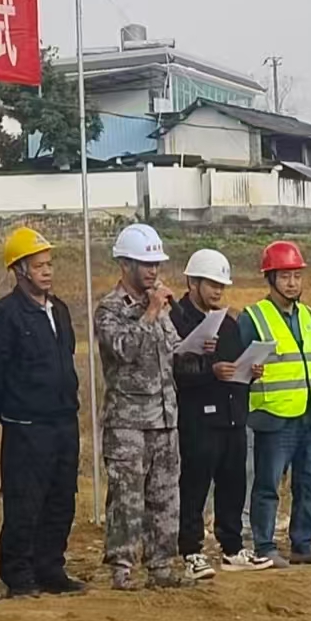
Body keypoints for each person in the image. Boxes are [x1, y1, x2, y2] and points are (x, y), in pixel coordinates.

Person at [0, 226, 87, 598]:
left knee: (61, 497)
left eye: (49, 264)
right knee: (25, 500)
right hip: (27, 426)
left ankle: (50, 567)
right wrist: (13, 413)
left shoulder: (59, 309)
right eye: (39, 265)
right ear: (19, 270)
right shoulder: (4, 315)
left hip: (63, 421)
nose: (47, 271)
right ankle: (18, 573)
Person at [95, 223, 185, 590]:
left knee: (165, 497)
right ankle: (122, 569)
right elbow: (124, 350)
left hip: (165, 417)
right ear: (125, 264)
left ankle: (161, 565)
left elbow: (173, 347)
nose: (153, 271)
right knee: (127, 501)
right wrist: (148, 313)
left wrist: (199, 345)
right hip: (128, 422)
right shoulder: (110, 309)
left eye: (156, 264)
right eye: (145, 264)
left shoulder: (160, 306)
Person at [170, 248, 263, 577]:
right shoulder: (176, 319)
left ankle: (232, 546)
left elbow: (234, 364)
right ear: (192, 282)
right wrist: (211, 372)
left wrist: (250, 372)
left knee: (233, 483)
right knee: (194, 485)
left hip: (232, 416)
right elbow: (173, 371)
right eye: (211, 284)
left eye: (221, 286)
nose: (217, 291)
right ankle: (191, 550)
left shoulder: (228, 323)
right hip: (197, 418)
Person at [238, 240, 311, 567]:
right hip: (272, 417)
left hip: (309, 414)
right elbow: (238, 365)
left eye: (297, 276)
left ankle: (303, 544)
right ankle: (265, 546)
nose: (292, 283)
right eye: (285, 276)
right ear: (270, 278)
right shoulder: (253, 318)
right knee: (268, 485)